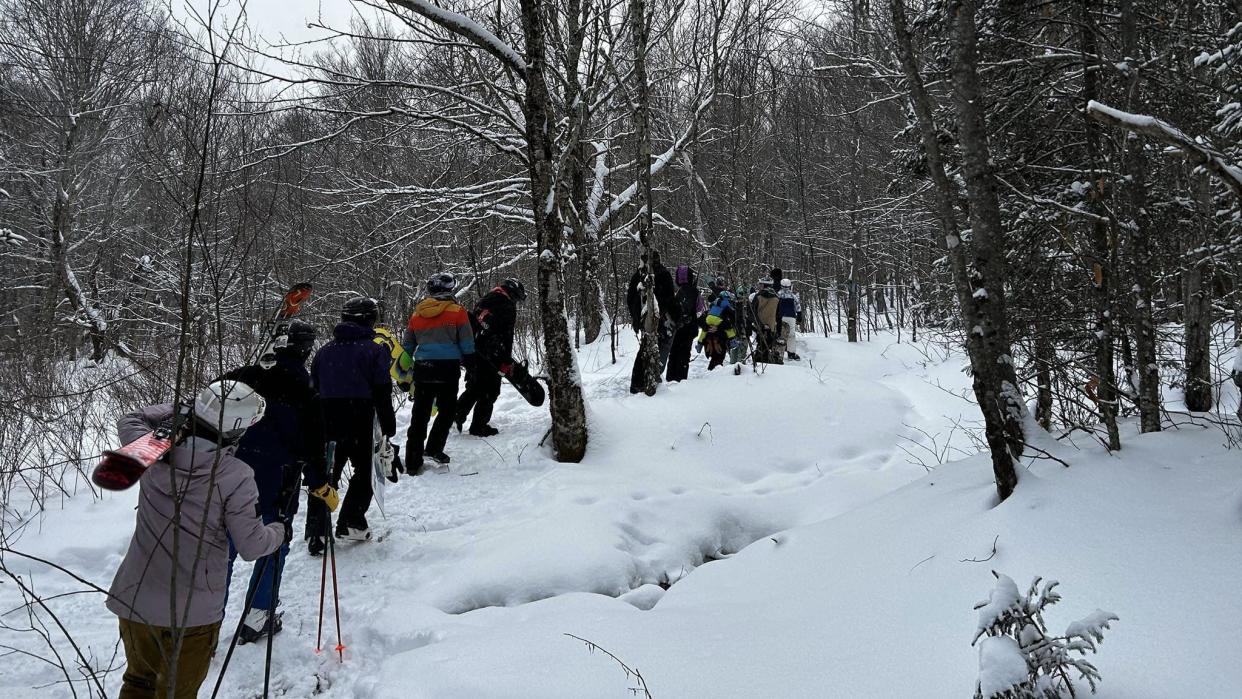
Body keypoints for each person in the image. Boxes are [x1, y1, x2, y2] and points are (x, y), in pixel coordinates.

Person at [107, 381, 285, 699]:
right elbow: (253, 546)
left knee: (138, 684)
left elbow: (131, 417)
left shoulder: (150, 449)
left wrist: (183, 409)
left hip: (135, 601)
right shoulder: (235, 475)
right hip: (193, 614)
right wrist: (279, 531)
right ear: (236, 431)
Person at [222, 321, 339, 640]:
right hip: (277, 485)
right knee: (273, 544)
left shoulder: (241, 378)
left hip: (229, 481)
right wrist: (320, 485)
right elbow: (314, 448)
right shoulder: (306, 390)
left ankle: (208, 621)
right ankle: (257, 617)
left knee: (223, 548)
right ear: (304, 349)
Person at [309, 297, 395, 542]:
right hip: (361, 416)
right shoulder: (374, 350)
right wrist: (389, 426)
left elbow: (313, 389)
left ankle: (317, 530)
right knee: (367, 469)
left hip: (328, 417)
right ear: (368, 319)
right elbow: (382, 390)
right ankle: (351, 521)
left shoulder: (324, 352)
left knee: (327, 471)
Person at [403, 272, 475, 472]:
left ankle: (412, 460)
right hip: (447, 369)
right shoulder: (457, 311)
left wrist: (404, 368)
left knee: (420, 414)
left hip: (423, 369)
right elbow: (467, 342)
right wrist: (471, 363)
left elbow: (408, 344)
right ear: (449, 290)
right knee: (447, 411)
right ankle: (434, 448)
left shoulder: (417, 313)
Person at [456, 278, 525, 436]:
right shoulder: (507, 306)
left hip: (474, 351)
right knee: (491, 390)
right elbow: (507, 335)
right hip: (492, 354)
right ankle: (479, 426)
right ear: (513, 294)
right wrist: (506, 361)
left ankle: (457, 415)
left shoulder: (484, 300)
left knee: (474, 387)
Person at [626, 251, 678, 393]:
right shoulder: (650, 275)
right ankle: (646, 384)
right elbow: (669, 299)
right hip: (657, 321)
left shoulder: (640, 275)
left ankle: (640, 384)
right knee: (654, 352)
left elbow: (631, 300)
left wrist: (637, 319)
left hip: (650, 320)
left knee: (647, 351)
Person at [666, 265, 705, 382]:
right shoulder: (694, 291)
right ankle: (680, 379)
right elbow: (699, 308)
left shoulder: (676, 291)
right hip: (688, 328)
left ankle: (670, 378)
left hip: (677, 328)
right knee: (684, 355)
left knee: (673, 353)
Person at [695, 290, 738, 370]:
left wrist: (707, 327)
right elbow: (730, 324)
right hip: (719, 338)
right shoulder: (727, 307)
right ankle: (733, 341)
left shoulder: (713, 306)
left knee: (715, 358)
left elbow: (700, 321)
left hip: (709, 335)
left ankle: (699, 344)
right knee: (718, 359)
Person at [750, 277, 783, 365]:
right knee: (768, 344)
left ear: (764, 285)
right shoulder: (776, 297)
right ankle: (767, 362)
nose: (759, 286)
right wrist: (778, 330)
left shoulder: (758, 296)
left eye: (760, 284)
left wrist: (757, 324)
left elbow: (752, 311)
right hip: (772, 325)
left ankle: (760, 363)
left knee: (761, 344)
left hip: (759, 324)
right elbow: (779, 315)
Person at [777, 278, 803, 361]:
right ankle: (791, 354)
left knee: (780, 335)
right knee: (791, 335)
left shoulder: (777, 295)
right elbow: (798, 306)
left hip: (780, 317)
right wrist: (799, 315)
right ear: (789, 286)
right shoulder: (793, 296)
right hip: (791, 317)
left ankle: (778, 353)